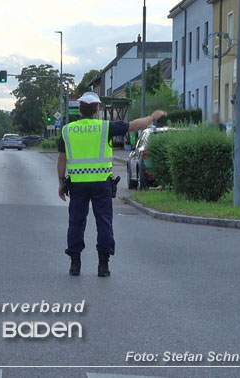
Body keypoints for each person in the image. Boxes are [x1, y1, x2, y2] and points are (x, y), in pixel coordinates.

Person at [57, 92, 166, 277]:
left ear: (80, 110)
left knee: (76, 222)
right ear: (97, 109)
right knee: (104, 222)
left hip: (77, 185)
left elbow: (62, 159)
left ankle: (75, 264)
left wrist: (61, 182)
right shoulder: (105, 127)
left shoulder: (67, 130)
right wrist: (152, 117)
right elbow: (133, 126)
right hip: (101, 185)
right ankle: (103, 265)